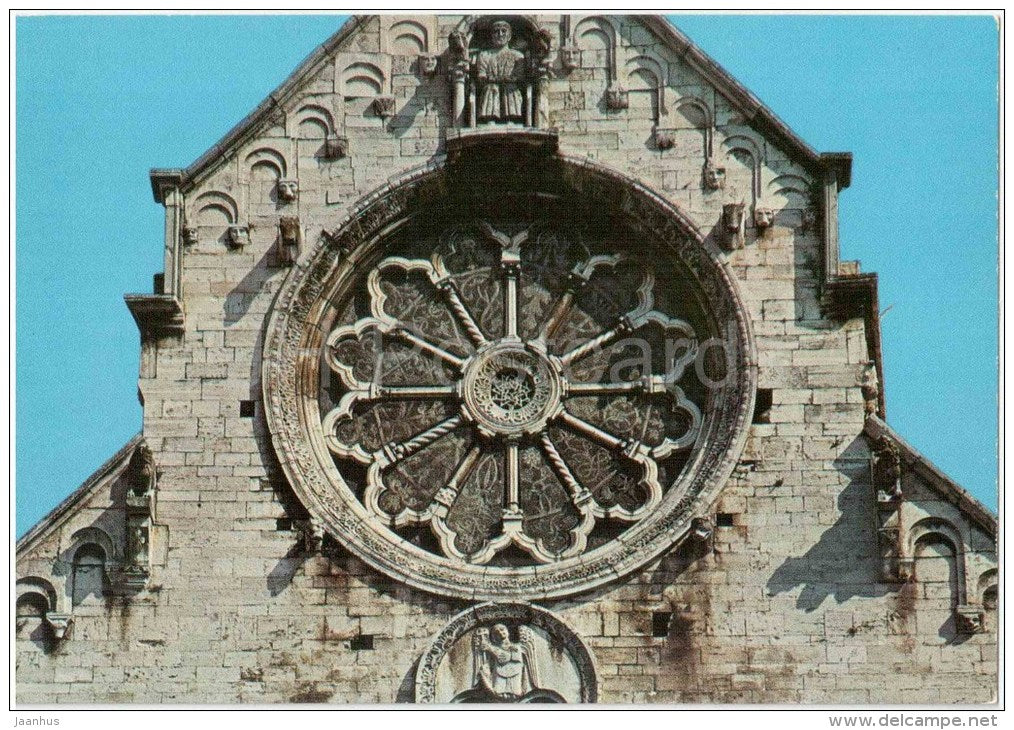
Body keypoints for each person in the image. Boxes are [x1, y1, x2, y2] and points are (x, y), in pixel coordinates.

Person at [476, 21, 525, 123]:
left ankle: (511, 118)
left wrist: (508, 79)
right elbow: (481, 75)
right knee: (491, 88)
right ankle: (490, 118)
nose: (500, 34)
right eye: (496, 31)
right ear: (492, 36)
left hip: (510, 87)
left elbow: (520, 76)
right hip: (491, 87)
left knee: (510, 88)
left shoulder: (517, 56)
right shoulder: (484, 55)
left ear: (509, 36)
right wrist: (496, 79)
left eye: (503, 31)